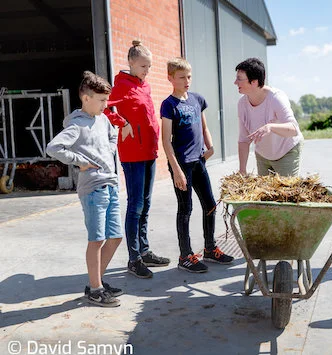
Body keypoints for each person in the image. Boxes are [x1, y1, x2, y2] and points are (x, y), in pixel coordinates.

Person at [46, 71, 123, 307]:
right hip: (93, 190)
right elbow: (53, 147)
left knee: (116, 237)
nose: (105, 105)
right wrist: (80, 161)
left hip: (110, 184)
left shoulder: (103, 119)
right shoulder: (77, 125)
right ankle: (96, 289)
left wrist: (108, 153)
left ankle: (95, 281)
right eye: (101, 100)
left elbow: (112, 136)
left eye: (106, 100)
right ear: (86, 98)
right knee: (97, 240)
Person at [160, 57, 234, 273]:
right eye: (182, 77)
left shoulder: (197, 99)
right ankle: (185, 256)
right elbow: (166, 140)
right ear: (171, 78)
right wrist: (176, 170)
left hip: (199, 161)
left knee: (210, 204)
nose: (187, 81)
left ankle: (210, 249)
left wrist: (210, 146)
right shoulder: (168, 104)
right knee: (185, 209)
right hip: (182, 165)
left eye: (189, 76)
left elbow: (203, 127)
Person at [105, 40, 170, 279]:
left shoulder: (145, 86)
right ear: (131, 63)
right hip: (132, 154)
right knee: (136, 205)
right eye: (143, 66)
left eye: (149, 67)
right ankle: (134, 258)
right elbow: (104, 108)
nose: (146, 71)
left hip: (149, 152)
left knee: (146, 202)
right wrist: (123, 123)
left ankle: (145, 250)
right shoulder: (120, 85)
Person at [235, 57, 304, 176]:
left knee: (285, 193)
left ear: (254, 82)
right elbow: (244, 140)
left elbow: (294, 129)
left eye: (239, 79)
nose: (235, 82)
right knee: (264, 193)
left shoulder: (276, 98)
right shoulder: (242, 104)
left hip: (286, 152)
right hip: (263, 155)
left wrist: (270, 127)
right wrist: (242, 170)